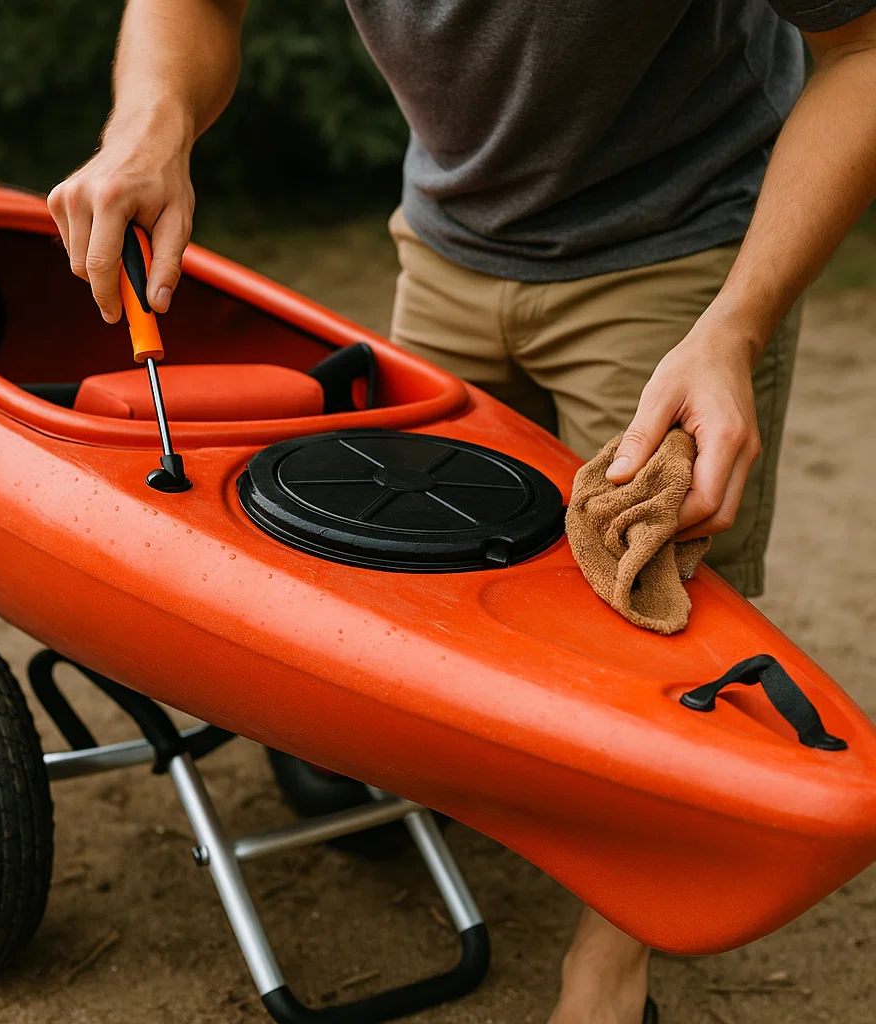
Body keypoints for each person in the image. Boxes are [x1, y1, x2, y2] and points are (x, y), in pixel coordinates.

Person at [47, 3, 876, 1021]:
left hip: (679, 251)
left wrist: (735, 327)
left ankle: (611, 963)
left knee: (650, 610)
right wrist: (151, 117)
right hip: (448, 236)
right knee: (421, 575)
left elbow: (862, 49)